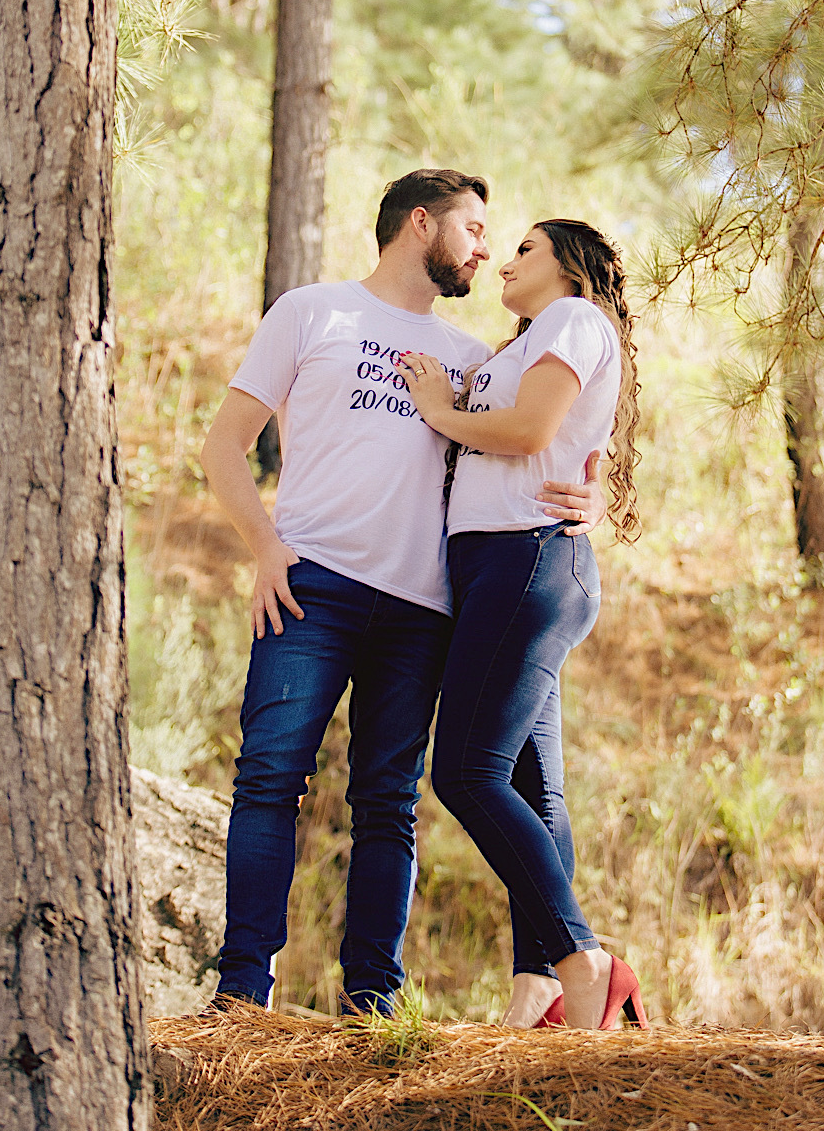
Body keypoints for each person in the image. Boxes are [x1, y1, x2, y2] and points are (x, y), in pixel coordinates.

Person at [199, 170, 602, 1015]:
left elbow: (545, 437)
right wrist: (264, 546)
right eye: (474, 227)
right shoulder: (311, 312)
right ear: (421, 224)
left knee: (388, 803)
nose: (487, 249)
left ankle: (373, 997)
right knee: (270, 777)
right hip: (310, 588)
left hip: (424, 610)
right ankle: (243, 992)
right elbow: (224, 446)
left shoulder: (471, 355)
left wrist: (593, 496)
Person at [397, 218, 647, 1030]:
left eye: (527, 250)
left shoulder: (575, 319)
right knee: (537, 790)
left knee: (466, 773)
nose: (507, 261)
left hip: (527, 561)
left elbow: (531, 432)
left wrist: (437, 406)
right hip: (500, 567)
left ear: (570, 267)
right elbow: (573, 444)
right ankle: (537, 984)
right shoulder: (529, 341)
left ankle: (585, 960)